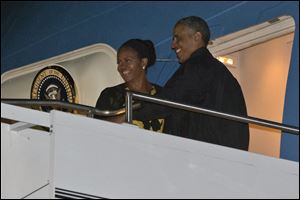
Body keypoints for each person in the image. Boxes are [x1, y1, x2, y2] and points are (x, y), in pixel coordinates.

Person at [133, 16, 249, 150]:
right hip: (218, 154)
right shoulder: (213, 69)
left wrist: (127, 113)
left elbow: (169, 100)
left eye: (177, 38)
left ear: (197, 37)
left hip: (206, 155)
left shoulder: (200, 66)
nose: (173, 45)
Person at [95, 39, 165, 133]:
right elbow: (97, 129)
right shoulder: (110, 95)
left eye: (127, 61)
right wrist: (124, 117)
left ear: (143, 62)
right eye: (119, 62)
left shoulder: (162, 95)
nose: (121, 67)